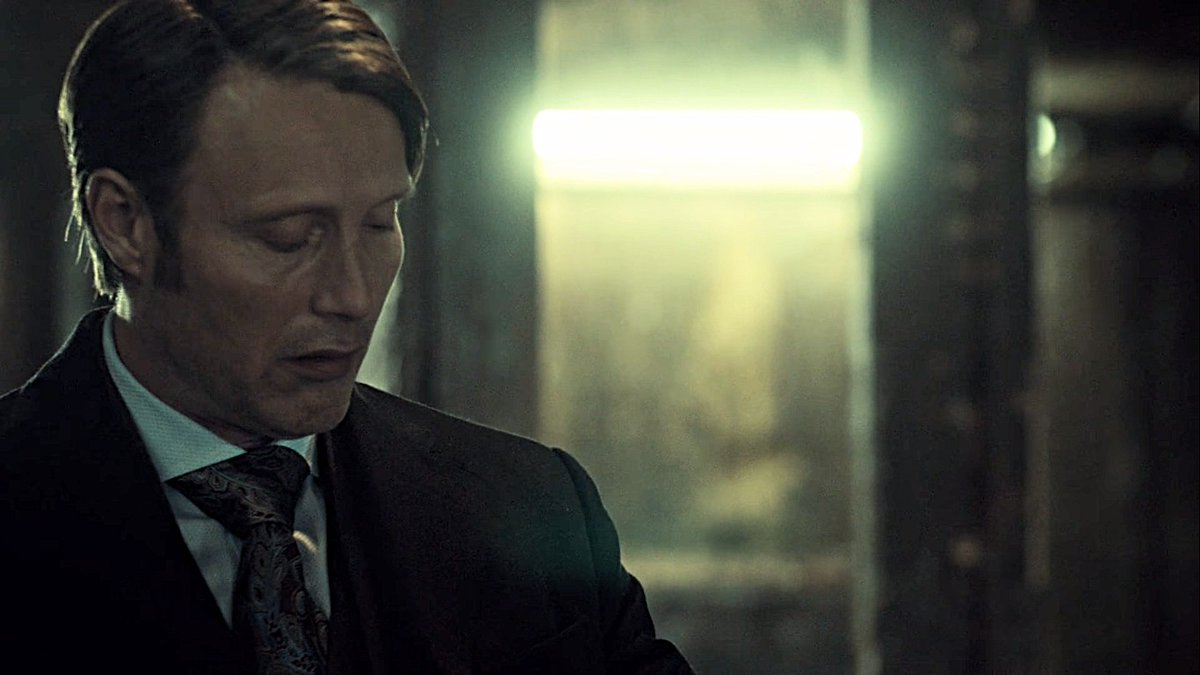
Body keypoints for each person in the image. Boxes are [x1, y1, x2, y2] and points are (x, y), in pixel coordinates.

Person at [0, 1, 693, 673]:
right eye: (289, 237)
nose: (354, 297)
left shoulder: (526, 506)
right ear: (125, 222)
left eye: (380, 223)